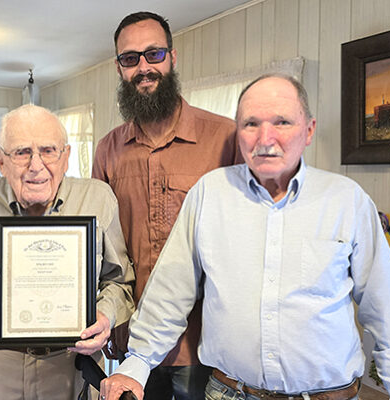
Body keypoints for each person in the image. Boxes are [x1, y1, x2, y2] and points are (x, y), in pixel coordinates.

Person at [100, 74, 390, 400]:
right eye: (251, 124)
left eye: (282, 122)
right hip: (229, 393)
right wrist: (137, 363)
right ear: (238, 133)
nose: (265, 138)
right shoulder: (210, 194)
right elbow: (170, 292)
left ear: (309, 130)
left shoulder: (346, 200)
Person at [0, 104, 135, 400]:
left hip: (69, 365)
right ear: (0, 160)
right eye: (21, 152)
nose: (36, 165)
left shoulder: (97, 199)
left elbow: (119, 281)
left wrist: (105, 315)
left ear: (66, 156)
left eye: (48, 150)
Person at [92, 11, 239, 400]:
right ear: (119, 68)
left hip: (205, 342)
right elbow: (99, 250)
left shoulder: (225, 138)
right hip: (131, 340)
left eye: (153, 54)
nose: (143, 67)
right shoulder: (108, 150)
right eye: (130, 59)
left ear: (173, 57)